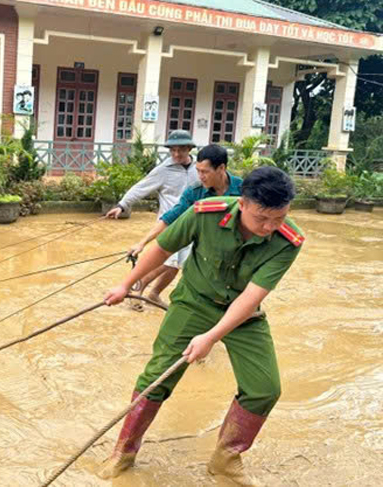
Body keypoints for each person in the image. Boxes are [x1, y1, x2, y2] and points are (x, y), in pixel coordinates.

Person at [100, 167, 304, 486]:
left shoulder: (288, 240)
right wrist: (126, 285)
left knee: (265, 389)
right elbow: (163, 248)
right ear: (243, 203)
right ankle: (123, 453)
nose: (270, 227)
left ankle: (225, 460)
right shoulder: (205, 214)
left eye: (279, 218)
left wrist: (210, 337)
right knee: (156, 377)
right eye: (262, 218)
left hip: (243, 313)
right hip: (193, 302)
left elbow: (251, 298)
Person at [128, 144, 243, 300]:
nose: (200, 176)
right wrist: (142, 242)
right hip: (206, 254)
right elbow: (171, 217)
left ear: (221, 168)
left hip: (236, 254)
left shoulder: (244, 190)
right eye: (198, 171)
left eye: (205, 172)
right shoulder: (194, 193)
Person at [106, 129, 198, 308]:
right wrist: (122, 205)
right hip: (169, 222)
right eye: (173, 150)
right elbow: (141, 187)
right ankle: (136, 291)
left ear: (189, 149)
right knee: (166, 261)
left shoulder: (199, 169)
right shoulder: (163, 170)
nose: (176, 154)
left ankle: (154, 294)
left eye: (181, 150)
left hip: (193, 223)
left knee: (176, 265)